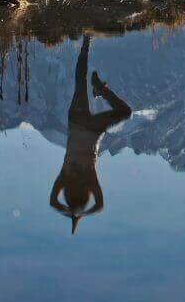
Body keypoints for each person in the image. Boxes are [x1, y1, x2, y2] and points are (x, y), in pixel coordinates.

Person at [49, 34, 132, 234]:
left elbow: (99, 205)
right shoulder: (70, 178)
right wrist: (71, 213)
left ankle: (88, 51)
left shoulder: (83, 180)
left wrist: (78, 215)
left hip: (85, 126)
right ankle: (99, 85)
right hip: (84, 125)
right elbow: (53, 202)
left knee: (123, 111)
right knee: (81, 82)